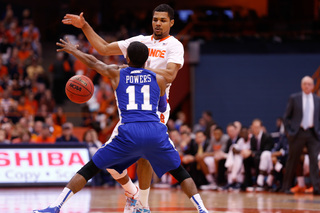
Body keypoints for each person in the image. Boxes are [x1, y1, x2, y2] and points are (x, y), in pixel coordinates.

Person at [33, 40, 208, 213]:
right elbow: (162, 108)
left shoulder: (117, 73)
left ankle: (56, 206)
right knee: (180, 172)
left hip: (129, 131)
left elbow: (94, 62)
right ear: (147, 60)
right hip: (155, 131)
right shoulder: (160, 79)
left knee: (90, 168)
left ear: (128, 59)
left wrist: (74, 51)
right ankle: (202, 209)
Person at [62, 4, 184, 212]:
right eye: (155, 19)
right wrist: (84, 26)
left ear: (171, 22)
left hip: (156, 105)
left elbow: (170, 75)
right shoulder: (138, 42)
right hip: (130, 104)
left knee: (145, 156)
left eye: (163, 20)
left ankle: (143, 205)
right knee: (109, 159)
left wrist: (135, 71)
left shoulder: (175, 46)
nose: (158, 23)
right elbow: (103, 48)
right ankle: (132, 192)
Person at [281, 76, 320, 195]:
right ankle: (286, 187)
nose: (307, 86)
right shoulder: (294, 98)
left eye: (309, 84)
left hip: (313, 133)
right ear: (301, 85)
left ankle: (316, 188)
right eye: (305, 84)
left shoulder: (317, 100)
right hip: (298, 133)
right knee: (292, 160)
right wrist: (290, 132)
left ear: (313, 86)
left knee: (314, 160)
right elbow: (286, 117)